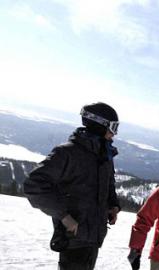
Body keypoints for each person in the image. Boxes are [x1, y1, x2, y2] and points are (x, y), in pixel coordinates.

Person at [23, 102, 121, 270]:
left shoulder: (104, 155)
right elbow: (34, 184)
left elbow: (108, 183)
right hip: (73, 239)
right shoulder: (68, 153)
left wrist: (113, 205)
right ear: (99, 125)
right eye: (113, 127)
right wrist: (64, 216)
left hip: (93, 237)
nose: (114, 133)